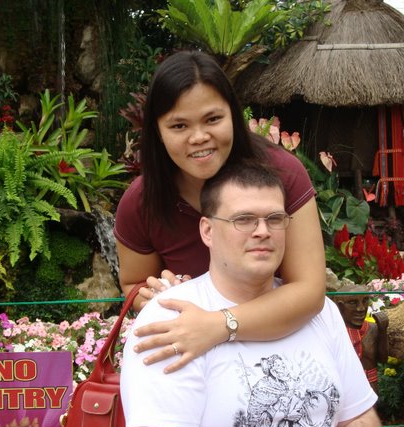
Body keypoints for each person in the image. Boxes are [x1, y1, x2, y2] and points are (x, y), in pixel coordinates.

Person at [121, 162, 384, 427]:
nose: (262, 230)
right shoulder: (172, 315)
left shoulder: (318, 310)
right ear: (207, 230)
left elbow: (363, 421)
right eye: (243, 219)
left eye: (274, 219)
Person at [114, 50, 326, 373]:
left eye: (213, 119)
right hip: (195, 363)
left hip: (285, 351)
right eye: (179, 125)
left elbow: (309, 291)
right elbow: (133, 286)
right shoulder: (142, 202)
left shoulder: (283, 175)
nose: (199, 138)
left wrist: (217, 326)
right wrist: (160, 294)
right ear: (157, 130)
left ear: (233, 115)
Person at [333, 285, 389, 392]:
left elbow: (383, 359)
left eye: (365, 301)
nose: (361, 308)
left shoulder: (373, 329)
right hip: (344, 386)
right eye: (353, 303)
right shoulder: (334, 332)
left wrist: (382, 331)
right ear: (340, 306)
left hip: (370, 386)